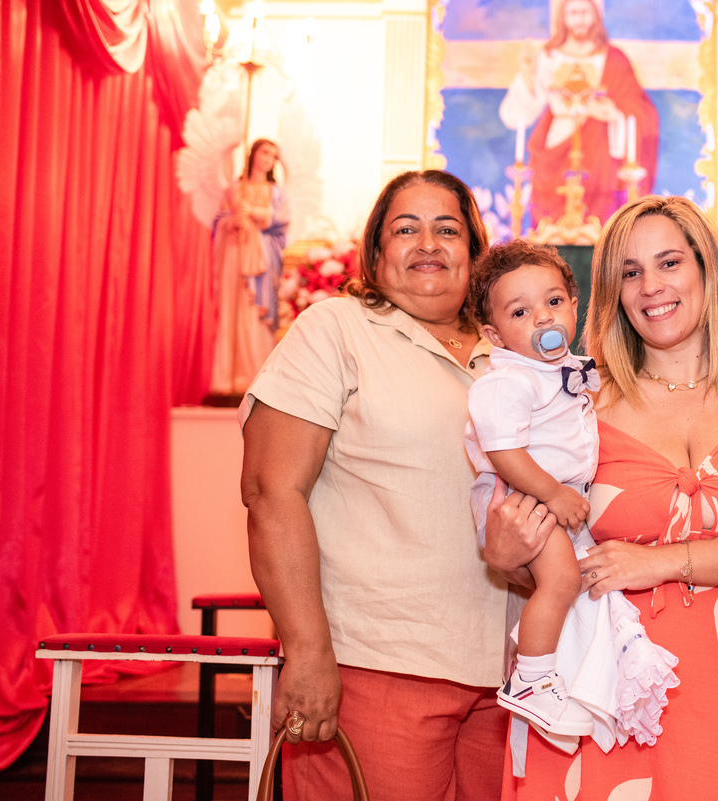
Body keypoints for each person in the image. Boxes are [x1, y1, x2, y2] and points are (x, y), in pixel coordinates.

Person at [485, 195, 718, 799]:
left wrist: (659, 561)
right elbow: (526, 542)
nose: (650, 286)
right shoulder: (576, 404)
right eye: (629, 272)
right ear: (610, 291)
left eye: (668, 263)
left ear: (706, 270)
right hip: (594, 698)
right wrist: (504, 551)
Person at [238, 170, 557, 801]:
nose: (428, 243)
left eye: (447, 229)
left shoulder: (512, 354)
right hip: (376, 666)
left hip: (509, 677)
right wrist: (306, 651)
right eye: (405, 229)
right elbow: (271, 492)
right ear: (376, 251)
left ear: (475, 249)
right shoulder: (337, 329)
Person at [463, 241, 597, 736]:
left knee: (574, 584)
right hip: (523, 501)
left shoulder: (564, 370)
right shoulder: (508, 382)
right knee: (561, 581)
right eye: (521, 311)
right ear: (494, 334)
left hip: (549, 499)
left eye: (554, 301)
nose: (543, 318)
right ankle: (531, 679)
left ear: (575, 304)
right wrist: (555, 494)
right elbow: (504, 453)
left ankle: (555, 673)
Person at [499, 0, 658, 226]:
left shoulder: (614, 59)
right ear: (562, 17)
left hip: (600, 156)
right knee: (549, 226)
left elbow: (638, 110)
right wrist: (527, 74)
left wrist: (613, 113)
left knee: (601, 224)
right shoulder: (548, 57)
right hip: (555, 151)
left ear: (596, 16)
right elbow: (515, 114)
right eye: (573, 12)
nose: (579, 19)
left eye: (585, 12)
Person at [210, 138, 289, 395]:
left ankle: (255, 373)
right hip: (236, 253)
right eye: (265, 152)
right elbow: (219, 221)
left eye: (273, 156)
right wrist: (232, 222)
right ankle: (229, 377)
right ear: (254, 154)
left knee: (256, 312)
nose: (268, 158)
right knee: (233, 310)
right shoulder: (235, 188)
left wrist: (254, 212)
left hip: (263, 260)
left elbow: (281, 221)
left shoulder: (275, 192)